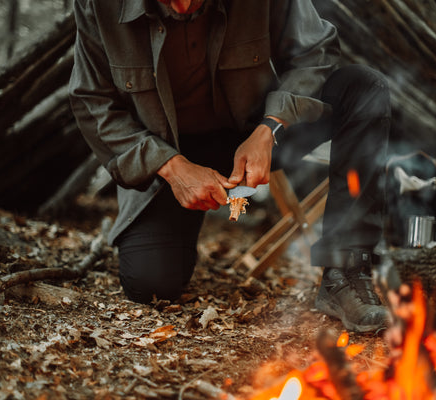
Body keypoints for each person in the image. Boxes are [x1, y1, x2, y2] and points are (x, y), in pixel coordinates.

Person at [69, 0, 391, 332]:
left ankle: (345, 274)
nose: (183, 5)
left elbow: (316, 51)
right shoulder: (100, 5)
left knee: (363, 89)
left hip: (255, 130)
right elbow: (92, 101)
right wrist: (170, 165)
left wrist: (270, 128)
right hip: (167, 151)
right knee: (150, 285)